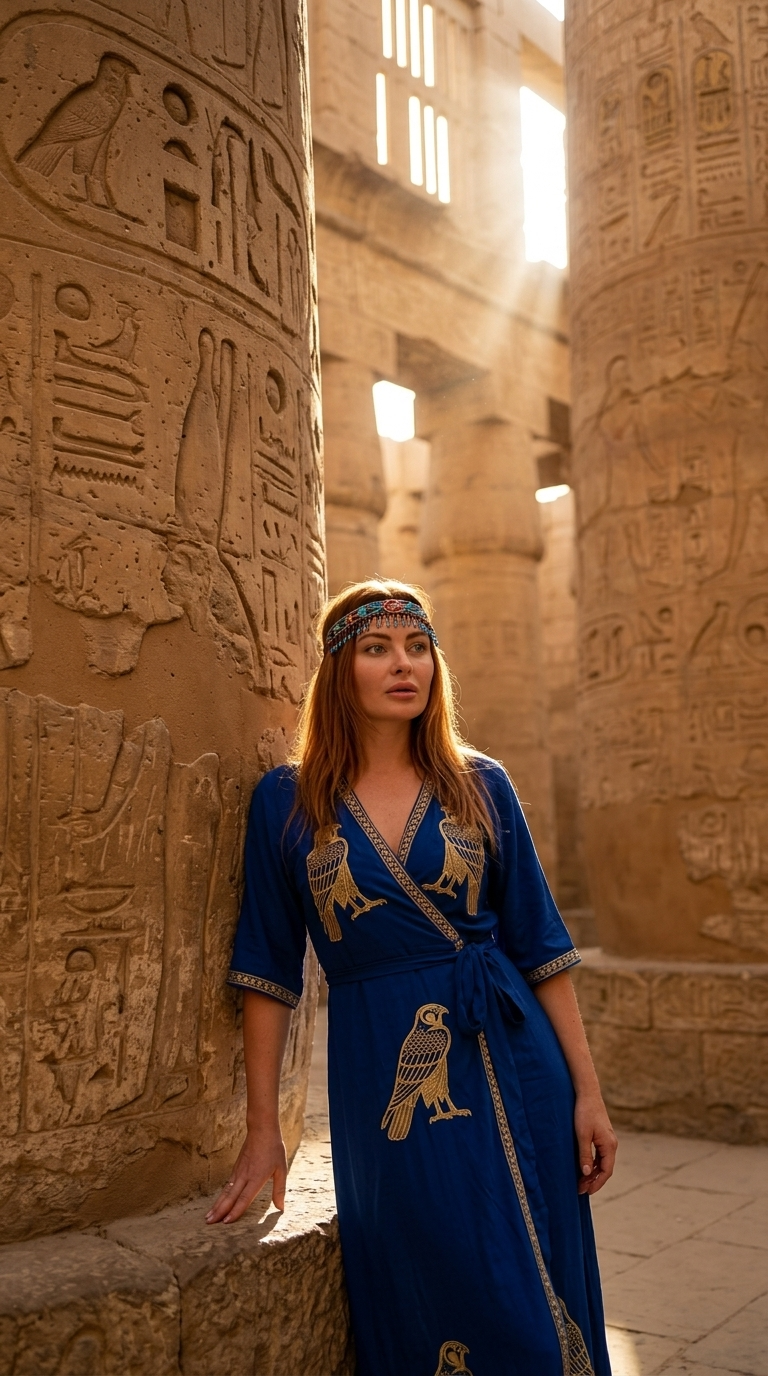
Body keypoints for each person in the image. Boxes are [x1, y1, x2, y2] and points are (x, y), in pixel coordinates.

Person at [207, 578, 616, 1376]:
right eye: (378, 648)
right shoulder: (287, 802)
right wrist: (264, 1130)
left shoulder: (480, 782)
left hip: (517, 1059)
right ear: (339, 670)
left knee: (538, 1303)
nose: (406, 665)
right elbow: (266, 967)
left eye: (419, 647)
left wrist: (589, 1094)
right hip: (383, 1070)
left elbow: (541, 947)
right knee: (434, 1282)